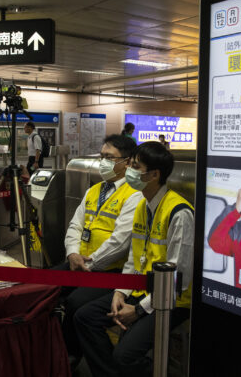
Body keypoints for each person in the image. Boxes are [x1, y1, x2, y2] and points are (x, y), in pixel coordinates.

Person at [75, 142, 194, 377]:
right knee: (84, 317)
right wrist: (120, 293)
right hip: (140, 291)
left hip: (171, 300)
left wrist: (138, 310)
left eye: (135, 166)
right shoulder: (142, 205)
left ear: (154, 175)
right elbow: (133, 260)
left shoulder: (180, 213)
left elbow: (179, 280)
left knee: (125, 355)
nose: (129, 170)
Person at [56, 134, 141, 369]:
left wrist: (89, 265)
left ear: (127, 162)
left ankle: (70, 357)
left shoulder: (134, 195)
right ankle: (52, 351)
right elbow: (75, 225)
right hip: (79, 261)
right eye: (102, 156)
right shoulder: (94, 190)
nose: (103, 162)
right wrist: (73, 253)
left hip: (109, 270)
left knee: (76, 304)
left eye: (109, 157)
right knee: (44, 288)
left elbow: (119, 243)